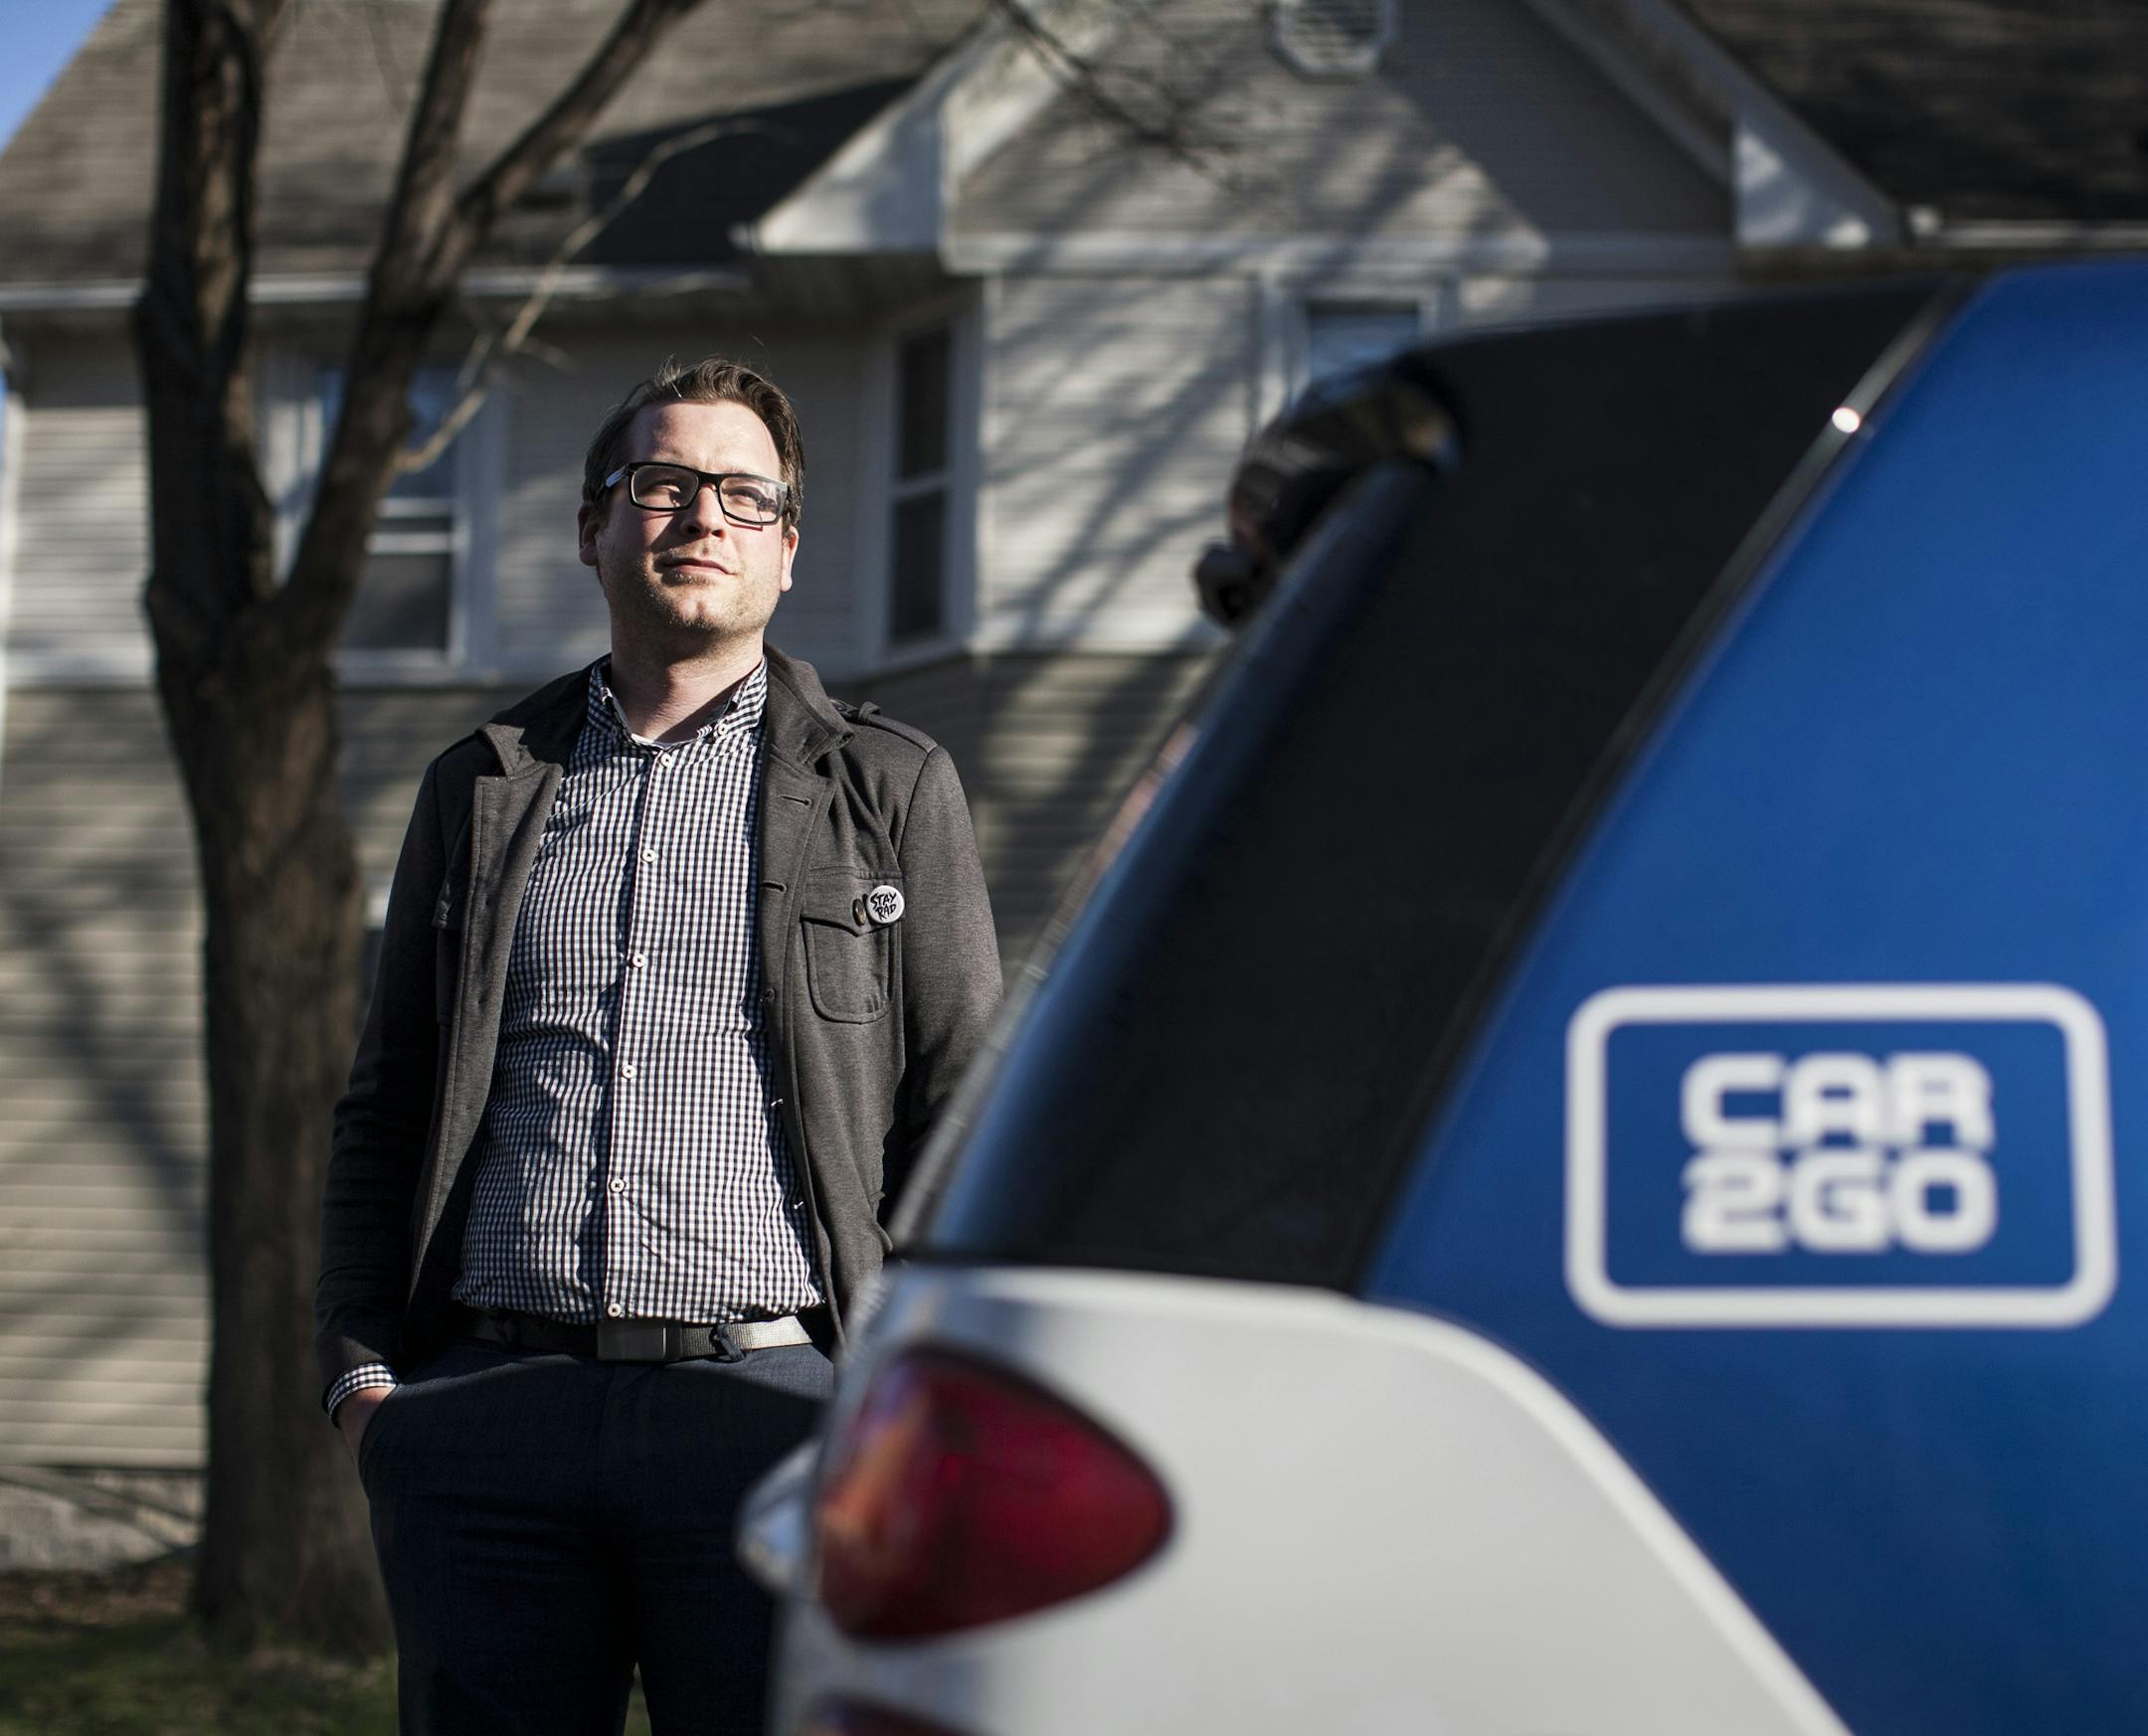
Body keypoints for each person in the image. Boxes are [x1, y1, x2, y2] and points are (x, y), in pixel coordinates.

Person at [314, 357, 1001, 1735]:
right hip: (486, 1417)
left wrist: (901, 1400)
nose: (702, 516)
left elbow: (962, 1118)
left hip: (774, 1414)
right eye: (664, 483)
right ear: (593, 524)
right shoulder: (482, 783)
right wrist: (365, 1384)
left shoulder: (887, 787)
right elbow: (385, 1105)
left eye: (745, 495)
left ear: (788, 551)